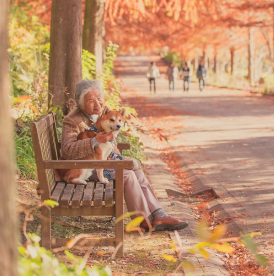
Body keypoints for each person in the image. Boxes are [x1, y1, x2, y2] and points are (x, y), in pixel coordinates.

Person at [61, 80, 188, 232]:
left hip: (105, 162)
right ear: (81, 105)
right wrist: (94, 141)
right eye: (91, 101)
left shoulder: (104, 113)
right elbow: (67, 150)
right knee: (127, 175)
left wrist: (119, 158)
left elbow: (110, 145)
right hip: (86, 167)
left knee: (137, 172)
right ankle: (144, 220)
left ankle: (158, 214)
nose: (97, 104)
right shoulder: (72, 121)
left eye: (99, 98)